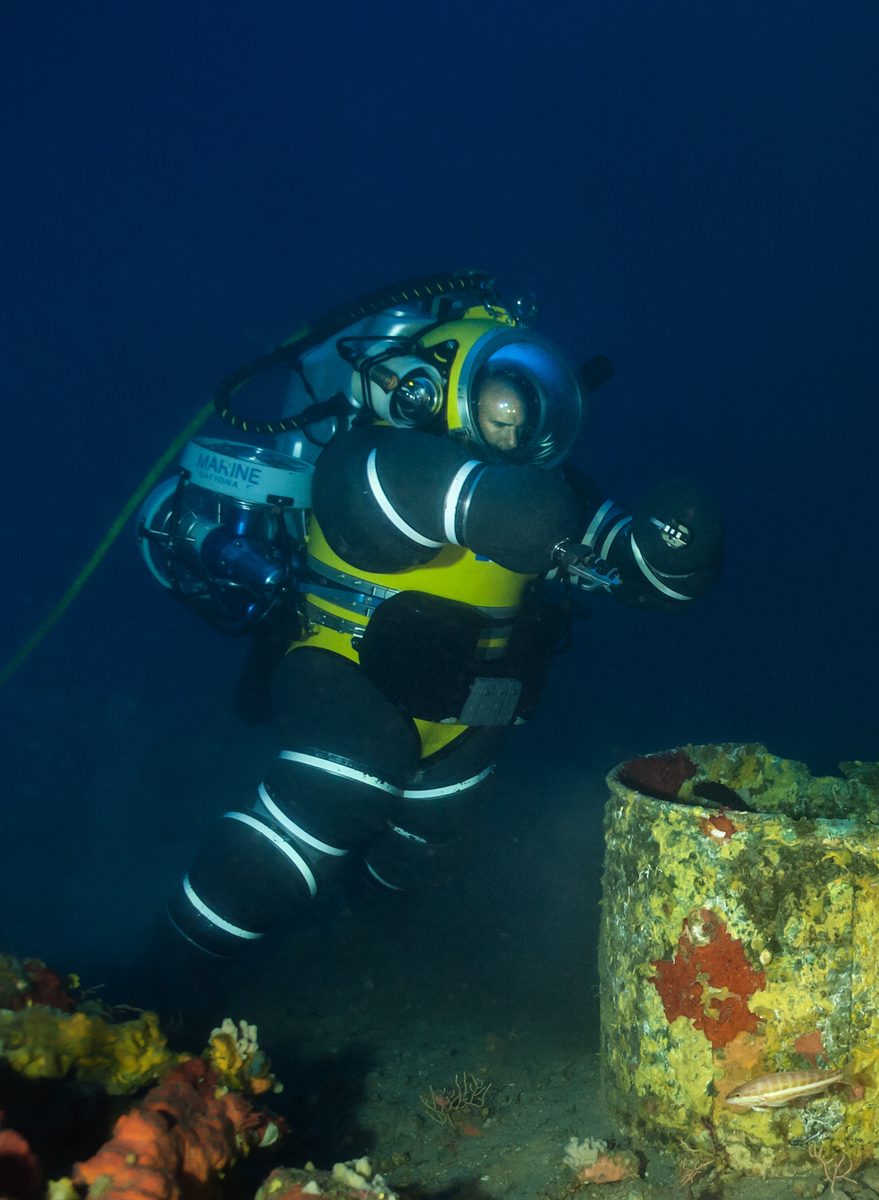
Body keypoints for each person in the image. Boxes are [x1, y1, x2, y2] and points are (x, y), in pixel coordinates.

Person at [136, 270, 724, 981]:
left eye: (524, 417)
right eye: (498, 407)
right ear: (437, 388)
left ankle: (363, 938)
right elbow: (479, 506)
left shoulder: (552, 489)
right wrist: (539, 517)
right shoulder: (372, 458)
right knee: (339, 791)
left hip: (466, 707)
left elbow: (626, 563)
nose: (510, 429)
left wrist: (672, 551)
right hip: (341, 670)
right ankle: (172, 961)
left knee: (433, 839)